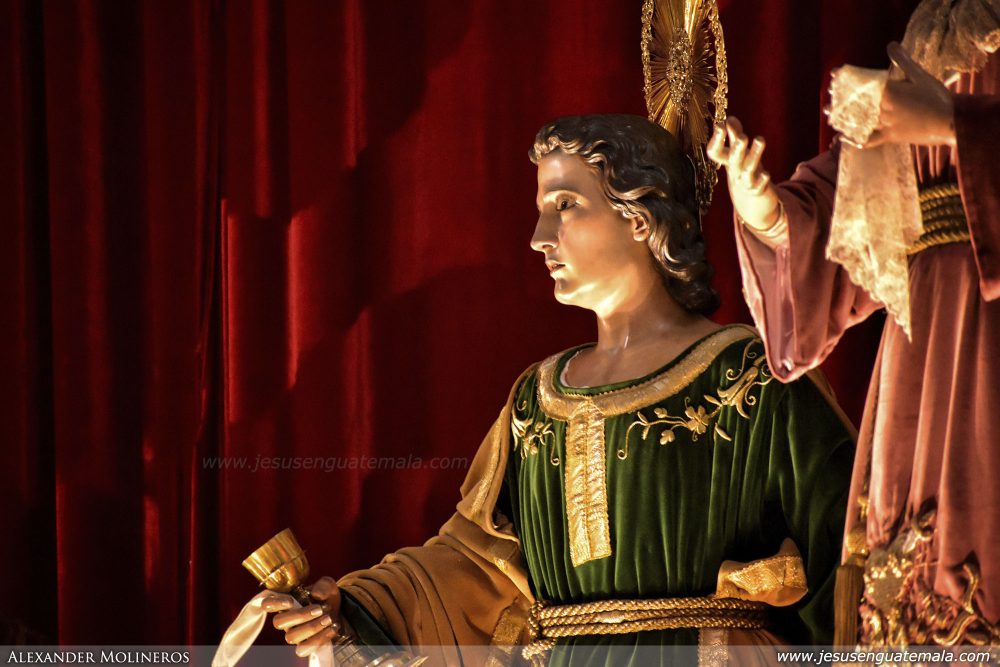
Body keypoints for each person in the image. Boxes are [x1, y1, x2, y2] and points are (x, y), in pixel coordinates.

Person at [261, 114, 857, 665]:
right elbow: (474, 562)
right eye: (544, 210)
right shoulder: (537, 397)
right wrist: (355, 609)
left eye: (565, 205)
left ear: (640, 217)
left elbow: (844, 549)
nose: (539, 237)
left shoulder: (751, 374)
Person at [707, 1, 1000, 645]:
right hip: (921, 356)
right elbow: (855, 218)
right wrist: (767, 210)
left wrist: (956, 126)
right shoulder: (933, 33)